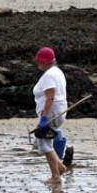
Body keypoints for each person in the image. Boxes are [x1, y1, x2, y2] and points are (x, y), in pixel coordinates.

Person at [33, 47, 68, 184]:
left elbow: (50, 98)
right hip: (60, 110)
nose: (37, 64)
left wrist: (43, 119)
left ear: (46, 62)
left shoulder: (49, 76)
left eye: (40, 61)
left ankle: (56, 176)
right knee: (45, 141)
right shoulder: (57, 71)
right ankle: (60, 166)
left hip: (51, 112)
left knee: (43, 142)